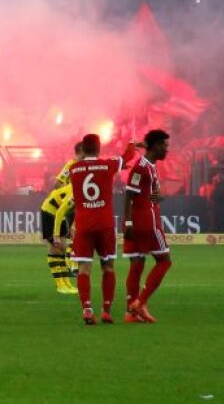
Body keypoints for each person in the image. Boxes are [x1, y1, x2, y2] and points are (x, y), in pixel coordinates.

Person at [68, 134, 137, 325]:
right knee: (108, 266)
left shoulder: (74, 169)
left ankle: (87, 310)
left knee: (84, 268)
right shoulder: (108, 164)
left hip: (83, 225)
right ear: (99, 148)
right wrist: (132, 144)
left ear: (83, 149)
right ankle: (106, 310)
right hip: (105, 225)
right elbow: (128, 156)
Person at [123, 129, 172, 324]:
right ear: (156, 146)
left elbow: (144, 193)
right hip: (147, 221)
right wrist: (127, 222)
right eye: (165, 146)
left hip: (137, 221)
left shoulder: (148, 165)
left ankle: (130, 313)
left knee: (137, 264)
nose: (167, 150)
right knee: (165, 261)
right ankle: (140, 303)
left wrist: (158, 197)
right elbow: (129, 194)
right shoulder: (141, 167)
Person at [39, 142, 83, 295]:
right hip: (52, 211)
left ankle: (66, 283)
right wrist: (57, 234)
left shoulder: (82, 184)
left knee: (61, 246)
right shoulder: (72, 167)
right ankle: (61, 284)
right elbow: (60, 211)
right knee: (57, 246)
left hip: (61, 209)